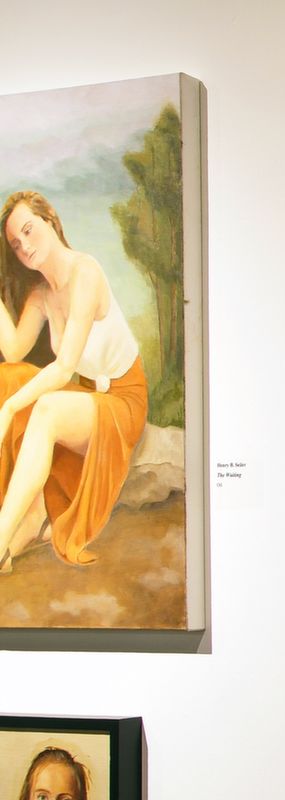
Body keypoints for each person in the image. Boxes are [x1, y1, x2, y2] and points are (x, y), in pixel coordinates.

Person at [0, 191, 149, 571]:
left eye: (29, 231)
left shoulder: (86, 272)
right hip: (87, 399)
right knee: (9, 376)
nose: (25, 247)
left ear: (50, 220)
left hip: (122, 403)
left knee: (43, 407)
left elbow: (64, 367)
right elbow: (13, 351)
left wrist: (10, 409)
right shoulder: (41, 295)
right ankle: (24, 528)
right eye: (15, 244)